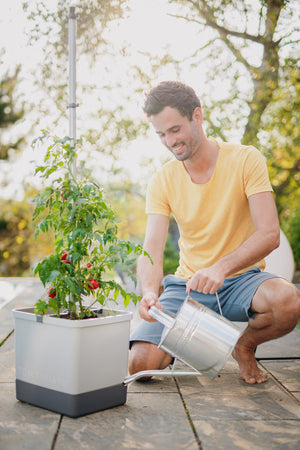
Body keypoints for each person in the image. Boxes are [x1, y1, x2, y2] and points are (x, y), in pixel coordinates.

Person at [129, 81, 300, 384]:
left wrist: (221, 267)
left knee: (289, 301)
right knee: (140, 367)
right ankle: (185, 340)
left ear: (197, 116)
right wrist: (150, 293)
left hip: (243, 280)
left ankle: (244, 347)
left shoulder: (246, 159)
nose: (170, 141)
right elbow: (151, 248)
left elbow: (270, 233)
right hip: (187, 285)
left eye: (175, 129)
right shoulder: (163, 179)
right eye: (161, 134)